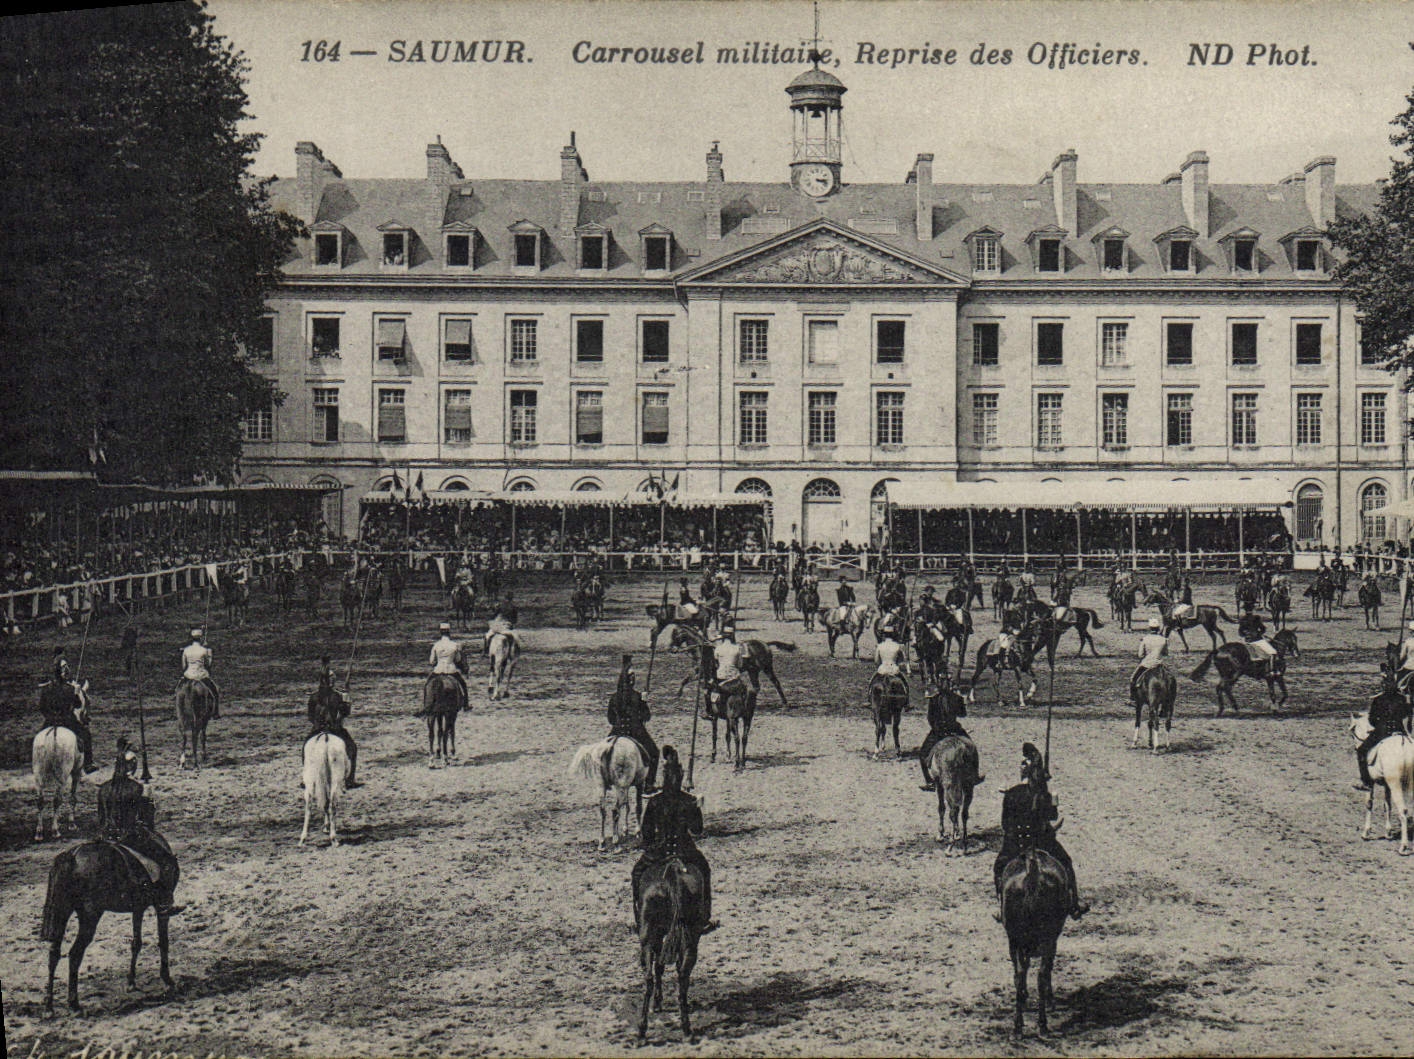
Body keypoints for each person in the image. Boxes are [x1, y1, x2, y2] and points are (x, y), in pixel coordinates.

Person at [993, 742, 1087, 922]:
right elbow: (1051, 817)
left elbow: (1005, 824)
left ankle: (1001, 909)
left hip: (1017, 844)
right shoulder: (1043, 793)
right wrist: (1054, 802)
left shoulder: (1011, 793)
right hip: (1042, 842)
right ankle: (1074, 904)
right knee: (1066, 863)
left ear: (1023, 771)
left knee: (998, 867)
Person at [630, 746, 718, 935]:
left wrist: (651, 845)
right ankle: (704, 918)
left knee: (637, 873)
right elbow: (697, 830)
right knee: (705, 870)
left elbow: (646, 833)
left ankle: (639, 919)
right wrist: (697, 806)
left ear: (663, 779)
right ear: (680, 778)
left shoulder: (654, 801)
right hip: (685, 851)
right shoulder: (688, 800)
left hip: (659, 852)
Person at [97, 738, 183, 916]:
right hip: (129, 836)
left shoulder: (103, 788)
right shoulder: (138, 788)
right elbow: (148, 821)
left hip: (105, 836)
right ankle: (165, 902)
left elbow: (101, 818)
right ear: (132, 766)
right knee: (167, 860)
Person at [39, 647, 98, 773]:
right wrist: (76, 693)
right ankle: (88, 764)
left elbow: (42, 708)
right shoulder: (70, 688)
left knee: (38, 740)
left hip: (49, 722)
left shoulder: (47, 688)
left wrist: (51, 716)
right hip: (67, 721)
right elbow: (77, 705)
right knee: (86, 735)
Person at [606, 654, 658, 792]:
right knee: (654, 753)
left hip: (617, 731)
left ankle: (605, 778)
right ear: (631, 680)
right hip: (636, 731)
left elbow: (610, 719)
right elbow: (646, 717)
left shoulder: (614, 697)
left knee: (603, 752)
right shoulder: (637, 697)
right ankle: (649, 784)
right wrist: (645, 702)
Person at [1355, 672, 1413, 791]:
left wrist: (1379, 724)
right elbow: (1407, 714)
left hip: (1382, 732)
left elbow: (1372, 720)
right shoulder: (1401, 698)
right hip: (1399, 731)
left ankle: (1366, 782)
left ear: (1383, 685)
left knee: (1361, 751)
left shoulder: (1378, 699)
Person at [308, 655, 359, 787]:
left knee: (305, 748)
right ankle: (349, 780)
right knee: (352, 748)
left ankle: (306, 779)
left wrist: (317, 724)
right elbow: (345, 713)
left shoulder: (314, 696)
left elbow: (310, 716)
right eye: (330, 679)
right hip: (335, 729)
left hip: (317, 729)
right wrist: (347, 699)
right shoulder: (337, 696)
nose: (331, 681)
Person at [918, 682, 970, 791]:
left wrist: (937, 729)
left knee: (923, 753)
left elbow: (930, 718)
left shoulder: (934, 699)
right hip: (955, 730)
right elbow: (963, 714)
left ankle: (929, 781)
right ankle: (973, 776)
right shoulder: (957, 698)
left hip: (938, 731)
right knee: (971, 747)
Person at [711, 622, 751, 715]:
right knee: (747, 691)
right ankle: (745, 710)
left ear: (722, 637)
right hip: (734, 678)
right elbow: (741, 665)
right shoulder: (737, 648)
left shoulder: (718, 648)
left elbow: (716, 663)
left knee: (709, 692)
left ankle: (710, 711)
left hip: (721, 677)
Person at [179, 628, 219, 719]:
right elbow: (208, 665)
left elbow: (184, 666)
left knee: (178, 689)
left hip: (188, 675)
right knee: (215, 692)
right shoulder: (204, 650)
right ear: (200, 638)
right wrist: (210, 655)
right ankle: (215, 712)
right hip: (201, 676)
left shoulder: (186, 650)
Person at [1129, 618, 1170, 706]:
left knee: (1133, 679)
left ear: (1149, 628)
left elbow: (1140, 655)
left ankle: (1133, 699)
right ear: (1158, 628)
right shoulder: (1164, 640)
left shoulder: (1145, 639)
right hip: (1159, 665)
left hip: (1146, 665)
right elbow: (1166, 653)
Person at [428, 621, 469, 705]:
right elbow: (458, 659)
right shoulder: (454, 645)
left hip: (438, 671)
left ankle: (426, 705)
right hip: (451, 671)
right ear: (449, 632)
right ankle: (466, 704)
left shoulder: (436, 645)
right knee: (463, 685)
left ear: (440, 632)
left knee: (427, 685)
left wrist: (437, 662)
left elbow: (432, 661)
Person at [1238, 604, 1276, 676]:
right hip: (1257, 639)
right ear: (1252, 610)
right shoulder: (1256, 618)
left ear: (1245, 610)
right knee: (1272, 653)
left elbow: (1240, 633)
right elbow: (1263, 629)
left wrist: (1247, 635)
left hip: (1247, 641)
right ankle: (1271, 671)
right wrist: (1259, 633)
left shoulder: (1242, 619)